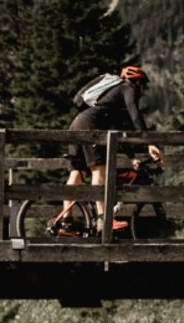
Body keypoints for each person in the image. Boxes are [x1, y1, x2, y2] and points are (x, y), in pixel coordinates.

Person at [54, 65, 162, 235]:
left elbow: (117, 131)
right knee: (99, 170)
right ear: (137, 82)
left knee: (77, 174)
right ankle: (104, 220)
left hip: (77, 124)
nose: (143, 89)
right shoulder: (128, 88)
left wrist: (132, 157)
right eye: (143, 84)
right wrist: (150, 143)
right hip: (90, 127)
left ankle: (66, 224)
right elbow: (136, 117)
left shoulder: (112, 100)